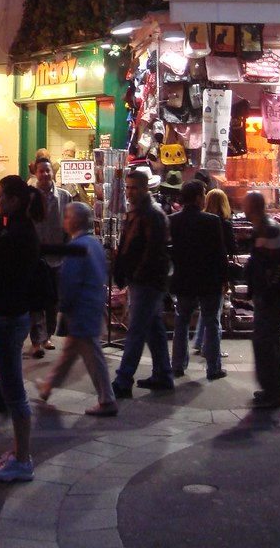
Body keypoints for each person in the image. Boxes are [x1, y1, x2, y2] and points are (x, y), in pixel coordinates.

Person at [0, 175, 41, 483]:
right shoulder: (17, 230)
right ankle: (19, 452)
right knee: (11, 387)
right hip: (13, 312)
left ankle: (22, 458)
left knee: (14, 391)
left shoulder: (15, 235)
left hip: (9, 314)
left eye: (2, 196)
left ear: (15, 201)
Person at [37, 202, 117, 416]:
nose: (64, 220)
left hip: (82, 309)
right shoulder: (93, 244)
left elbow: (71, 281)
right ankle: (47, 388)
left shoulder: (78, 247)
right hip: (90, 306)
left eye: (67, 217)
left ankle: (107, 400)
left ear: (75, 221)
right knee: (70, 353)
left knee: (91, 354)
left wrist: (65, 306)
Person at [111, 167, 174, 397]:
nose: (129, 192)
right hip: (143, 279)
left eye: (133, 188)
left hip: (148, 280)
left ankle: (124, 379)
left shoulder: (152, 214)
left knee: (137, 329)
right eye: (127, 188)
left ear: (145, 188)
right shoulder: (137, 211)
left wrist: (135, 273)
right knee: (153, 328)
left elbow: (152, 250)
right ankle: (163, 375)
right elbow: (129, 243)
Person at [170, 180, 228, 380]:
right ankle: (213, 367)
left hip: (184, 278)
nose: (205, 198)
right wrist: (224, 279)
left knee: (182, 322)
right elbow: (219, 254)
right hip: (208, 279)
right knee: (212, 322)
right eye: (203, 194)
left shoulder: (173, 220)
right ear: (197, 198)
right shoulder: (212, 221)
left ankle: (177, 364)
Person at [242, 190, 280, 409]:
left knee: (266, 340)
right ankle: (275, 388)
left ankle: (275, 389)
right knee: (269, 340)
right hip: (269, 294)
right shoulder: (265, 228)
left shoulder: (268, 229)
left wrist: (267, 291)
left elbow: (277, 265)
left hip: (271, 295)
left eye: (246, 203)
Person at [29, 158, 71, 357]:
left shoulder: (64, 196)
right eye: (41, 171)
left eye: (48, 171)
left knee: (53, 299)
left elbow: (70, 226)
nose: (45, 174)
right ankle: (36, 340)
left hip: (57, 255)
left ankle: (48, 336)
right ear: (35, 173)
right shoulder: (30, 197)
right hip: (36, 256)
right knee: (36, 299)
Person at [193, 188, 235, 359]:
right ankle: (212, 350)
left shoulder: (201, 221)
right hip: (216, 272)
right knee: (214, 313)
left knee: (206, 310)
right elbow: (230, 249)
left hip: (200, 270)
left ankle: (199, 341)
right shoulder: (223, 223)